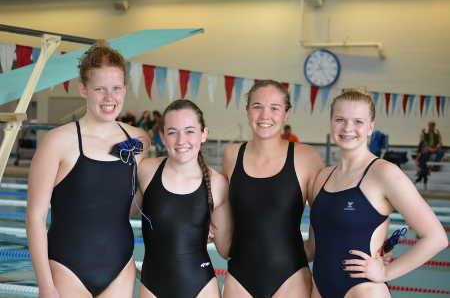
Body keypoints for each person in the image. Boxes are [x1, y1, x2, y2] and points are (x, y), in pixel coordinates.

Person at [27, 41, 148, 298]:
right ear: (83, 89)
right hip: (68, 267)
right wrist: (45, 285)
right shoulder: (57, 141)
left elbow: (142, 199)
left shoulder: (139, 141)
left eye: (116, 88)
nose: (109, 98)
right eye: (100, 89)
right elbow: (35, 218)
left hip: (120, 265)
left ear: (125, 89)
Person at [307, 89, 447, 298]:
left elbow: (436, 238)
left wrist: (386, 271)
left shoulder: (384, 173)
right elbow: (312, 247)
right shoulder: (322, 177)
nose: (348, 128)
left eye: (358, 121)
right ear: (331, 123)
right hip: (319, 289)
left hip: (363, 291)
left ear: (371, 127)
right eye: (340, 119)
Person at [222, 80, 324, 297]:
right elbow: (223, 211)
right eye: (257, 106)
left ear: (286, 114)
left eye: (274, 108)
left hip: (291, 276)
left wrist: (311, 249)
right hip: (239, 277)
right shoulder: (231, 155)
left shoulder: (306, 157)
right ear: (247, 110)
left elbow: (327, 214)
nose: (264, 115)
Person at [137, 99, 232, 298]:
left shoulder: (217, 184)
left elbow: (226, 250)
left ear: (204, 134)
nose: (181, 140)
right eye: (172, 132)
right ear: (162, 136)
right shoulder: (146, 170)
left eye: (189, 131)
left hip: (200, 287)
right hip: (152, 287)